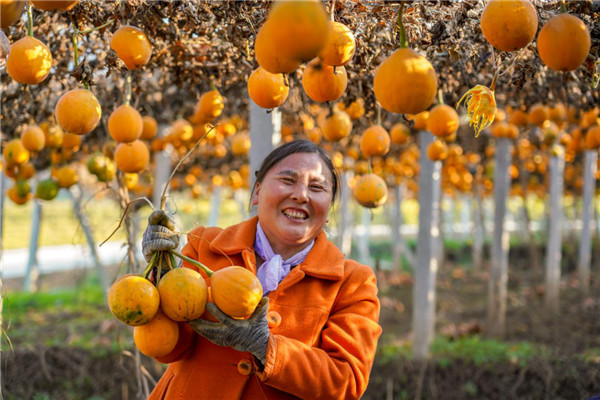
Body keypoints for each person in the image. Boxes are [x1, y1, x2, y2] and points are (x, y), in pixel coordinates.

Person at [142, 139, 382, 400]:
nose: (301, 195)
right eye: (288, 180)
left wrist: (266, 348)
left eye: (317, 187)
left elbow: (345, 381)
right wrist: (162, 275)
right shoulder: (204, 247)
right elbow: (168, 348)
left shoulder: (353, 282)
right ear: (257, 192)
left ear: (328, 210)